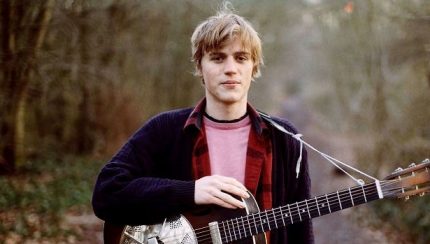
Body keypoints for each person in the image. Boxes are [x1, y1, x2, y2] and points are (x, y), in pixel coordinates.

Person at [92, 6, 313, 244]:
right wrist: (190, 192)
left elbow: (301, 231)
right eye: (217, 58)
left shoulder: (284, 138)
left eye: (241, 58)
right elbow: (107, 192)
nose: (230, 69)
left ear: (254, 67)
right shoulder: (165, 130)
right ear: (200, 66)